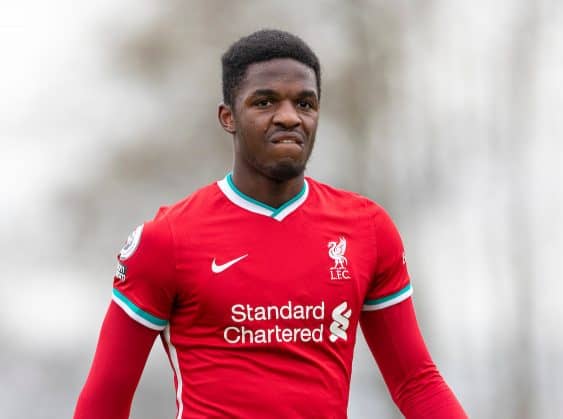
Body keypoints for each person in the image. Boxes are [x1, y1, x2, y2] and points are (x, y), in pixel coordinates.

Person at [74, 29, 467, 419]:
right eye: (265, 102)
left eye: (305, 103)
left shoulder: (366, 228)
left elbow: (416, 383)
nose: (289, 117)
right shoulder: (168, 239)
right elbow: (105, 400)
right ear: (228, 117)